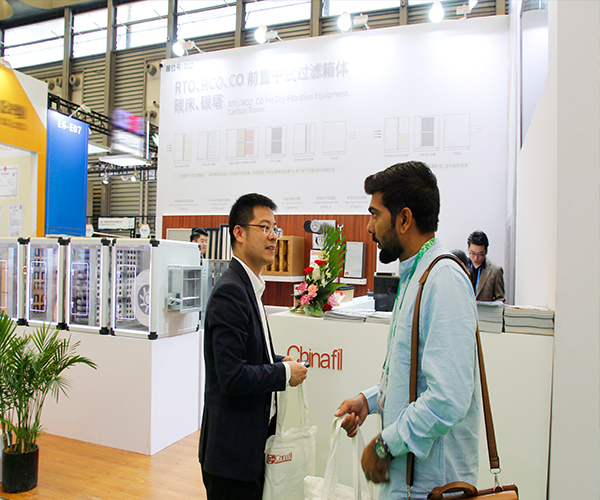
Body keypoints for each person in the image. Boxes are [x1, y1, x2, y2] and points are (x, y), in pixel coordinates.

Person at [334, 161, 480, 499]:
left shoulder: (443, 280)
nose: (369, 227)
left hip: (431, 487)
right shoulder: (417, 274)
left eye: (375, 214)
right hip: (410, 483)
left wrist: (385, 445)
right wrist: (369, 401)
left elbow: (448, 397)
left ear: (404, 219)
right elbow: (412, 375)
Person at [199, 193, 308, 500]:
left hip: (248, 449)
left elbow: (246, 353)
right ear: (239, 232)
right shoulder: (231, 291)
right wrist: (283, 373)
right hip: (231, 458)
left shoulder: (249, 286)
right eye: (264, 227)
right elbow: (232, 376)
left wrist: (277, 360)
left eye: (275, 228)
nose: (273, 236)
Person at [467, 230, 505, 302]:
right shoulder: (461, 267)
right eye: (472, 253)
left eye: (480, 254)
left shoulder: (495, 270)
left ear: (486, 251)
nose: (476, 258)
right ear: (468, 248)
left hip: (485, 309)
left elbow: (500, 300)